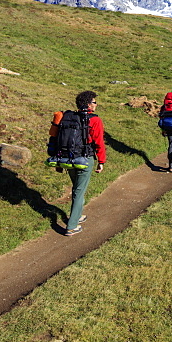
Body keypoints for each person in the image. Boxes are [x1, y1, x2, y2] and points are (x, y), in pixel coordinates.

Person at [63, 90, 105, 236]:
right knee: (78, 192)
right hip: (84, 159)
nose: (96, 104)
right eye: (94, 102)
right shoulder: (95, 120)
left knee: (77, 188)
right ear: (88, 104)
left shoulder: (69, 117)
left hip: (68, 159)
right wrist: (101, 161)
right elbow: (99, 142)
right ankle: (72, 226)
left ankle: (78, 215)